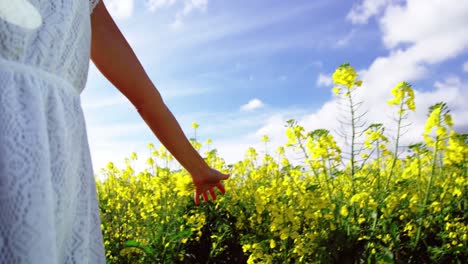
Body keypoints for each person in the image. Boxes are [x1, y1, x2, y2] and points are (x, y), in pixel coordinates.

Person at [0, 0, 229, 263]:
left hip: (56, 151)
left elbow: (146, 99)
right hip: (56, 145)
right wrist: (197, 169)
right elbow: (146, 100)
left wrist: (198, 169)